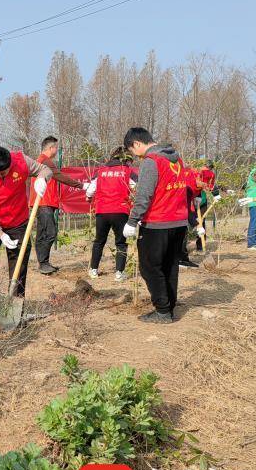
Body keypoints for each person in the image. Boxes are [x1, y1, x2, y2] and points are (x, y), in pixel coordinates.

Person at [0, 145, 52, 325]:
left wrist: (42, 179)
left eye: (4, 173)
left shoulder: (21, 161)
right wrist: (0, 234)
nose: (0, 176)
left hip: (19, 223)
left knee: (19, 266)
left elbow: (45, 169)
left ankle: (15, 312)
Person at [122, 127, 188, 324]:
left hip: (157, 223)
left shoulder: (151, 162)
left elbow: (144, 196)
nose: (134, 155)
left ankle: (162, 310)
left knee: (150, 267)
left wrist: (132, 221)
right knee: (170, 266)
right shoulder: (176, 160)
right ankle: (169, 307)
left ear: (137, 144)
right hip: (178, 221)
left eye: (132, 150)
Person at [29, 136, 85, 274]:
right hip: (44, 203)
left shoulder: (39, 160)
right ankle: (43, 263)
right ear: (51, 148)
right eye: (56, 147)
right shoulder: (45, 161)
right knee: (50, 232)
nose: (57, 150)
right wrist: (81, 185)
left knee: (43, 233)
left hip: (42, 202)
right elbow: (60, 176)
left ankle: (44, 263)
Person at [86, 146, 137, 281]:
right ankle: (119, 273)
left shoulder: (101, 171)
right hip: (120, 210)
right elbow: (136, 188)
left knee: (99, 241)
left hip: (102, 210)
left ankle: (93, 270)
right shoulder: (127, 171)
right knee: (121, 242)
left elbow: (90, 190)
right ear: (126, 159)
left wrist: (89, 197)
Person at [178, 163, 202, 269]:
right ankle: (179, 260)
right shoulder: (186, 188)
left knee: (184, 235)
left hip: (182, 212)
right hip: (173, 214)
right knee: (180, 235)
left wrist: (199, 196)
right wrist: (197, 224)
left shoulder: (189, 186)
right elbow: (186, 208)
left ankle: (183, 259)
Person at [194, 160, 218, 251]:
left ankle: (200, 246)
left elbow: (209, 186)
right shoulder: (206, 173)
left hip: (199, 199)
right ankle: (200, 246)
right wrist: (216, 195)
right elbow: (210, 187)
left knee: (200, 222)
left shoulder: (197, 171)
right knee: (200, 222)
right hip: (197, 199)